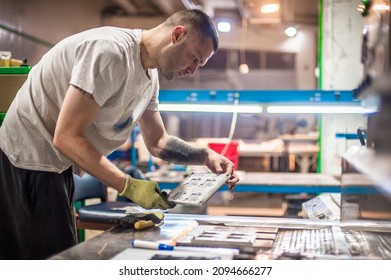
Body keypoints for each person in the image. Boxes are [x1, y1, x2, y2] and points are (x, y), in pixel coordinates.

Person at [0, 9, 239, 260]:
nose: (192, 71)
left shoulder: (150, 77)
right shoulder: (110, 52)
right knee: (49, 260)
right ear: (177, 35)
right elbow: (66, 137)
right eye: (194, 59)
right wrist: (129, 186)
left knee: (61, 256)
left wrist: (205, 156)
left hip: (56, 165)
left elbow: (158, 142)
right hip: (24, 158)